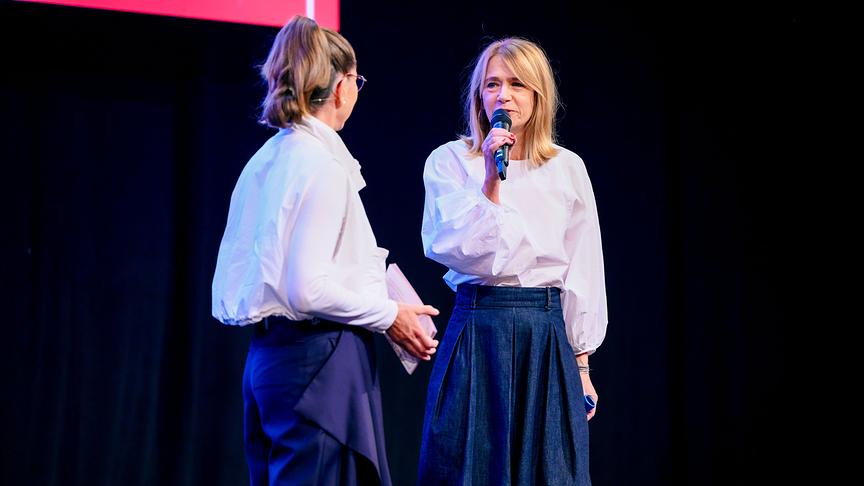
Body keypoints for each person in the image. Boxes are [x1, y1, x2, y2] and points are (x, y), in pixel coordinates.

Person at [210, 15, 439, 486]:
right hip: (315, 368)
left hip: (271, 363)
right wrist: (387, 314)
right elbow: (307, 288)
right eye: (357, 80)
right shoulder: (320, 164)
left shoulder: (268, 159)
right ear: (341, 89)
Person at [417, 37, 608, 485]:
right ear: (478, 96)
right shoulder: (450, 161)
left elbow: (583, 268)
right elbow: (451, 244)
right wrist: (489, 178)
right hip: (479, 325)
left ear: (537, 94)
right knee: (468, 466)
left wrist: (581, 367)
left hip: (544, 331)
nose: (502, 96)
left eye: (517, 84)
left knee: (548, 469)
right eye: (492, 85)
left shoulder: (566, 167)